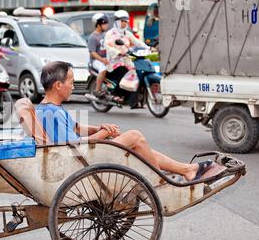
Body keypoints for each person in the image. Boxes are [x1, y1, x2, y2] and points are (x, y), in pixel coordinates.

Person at [35, 61, 216, 182]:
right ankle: (160, 180)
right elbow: (72, 144)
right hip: (80, 160)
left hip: (82, 155)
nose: (73, 87)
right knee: (135, 137)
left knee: (138, 146)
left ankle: (186, 170)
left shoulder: (49, 108)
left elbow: (77, 128)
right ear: (58, 85)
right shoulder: (51, 113)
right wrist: (102, 135)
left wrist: (100, 128)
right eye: (71, 82)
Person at [104, 10, 149, 106]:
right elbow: (107, 46)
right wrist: (118, 52)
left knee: (136, 71)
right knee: (125, 71)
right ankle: (116, 94)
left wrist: (148, 48)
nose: (124, 23)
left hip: (126, 59)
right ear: (117, 21)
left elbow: (137, 42)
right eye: (122, 21)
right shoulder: (110, 33)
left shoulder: (127, 33)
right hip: (114, 61)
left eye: (126, 21)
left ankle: (132, 98)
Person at [88, 13, 110, 97]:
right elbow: (92, 52)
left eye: (107, 23)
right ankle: (97, 90)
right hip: (96, 61)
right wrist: (102, 60)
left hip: (107, 59)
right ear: (98, 24)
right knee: (103, 69)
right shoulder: (92, 37)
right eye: (104, 23)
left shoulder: (107, 34)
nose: (106, 25)